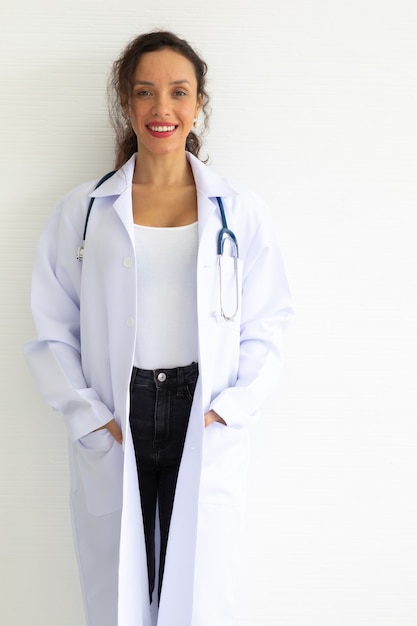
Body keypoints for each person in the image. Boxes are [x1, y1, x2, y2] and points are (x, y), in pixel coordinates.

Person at [25, 30, 293, 626]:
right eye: (145, 93)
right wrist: (89, 414)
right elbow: (51, 326)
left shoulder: (238, 211)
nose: (161, 109)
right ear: (127, 102)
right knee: (119, 591)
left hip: (203, 408)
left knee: (197, 590)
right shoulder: (84, 211)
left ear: (198, 104)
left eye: (178, 92)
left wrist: (232, 407)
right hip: (120, 413)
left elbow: (269, 321)